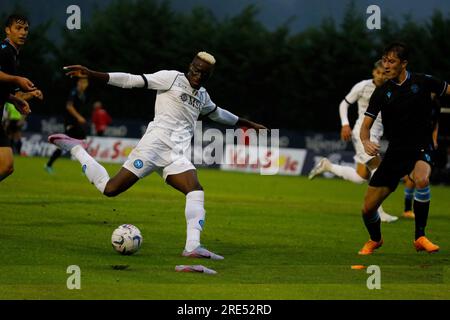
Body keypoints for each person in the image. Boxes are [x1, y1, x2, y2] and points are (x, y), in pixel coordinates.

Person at [48, 52, 267, 259]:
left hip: (175, 154)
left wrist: (248, 124)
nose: (197, 75)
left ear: (209, 76)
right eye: (195, 69)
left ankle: (192, 247)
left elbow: (219, 114)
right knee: (110, 189)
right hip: (152, 147)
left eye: (203, 73)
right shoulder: (171, 78)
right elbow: (131, 80)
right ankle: (76, 149)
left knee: (195, 190)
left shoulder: (202, 95)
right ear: (190, 66)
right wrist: (92, 73)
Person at [358, 42, 449, 255]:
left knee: (422, 179)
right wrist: (365, 142)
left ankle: (420, 237)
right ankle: (375, 239)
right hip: (395, 153)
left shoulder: (423, 81)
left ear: (404, 63)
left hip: (420, 146)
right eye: (384, 61)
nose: (386, 65)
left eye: (391, 61)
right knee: (367, 209)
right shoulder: (381, 93)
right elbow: (365, 128)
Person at [308, 60, 398, 223]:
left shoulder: (390, 88)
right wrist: (345, 124)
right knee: (379, 168)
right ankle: (379, 211)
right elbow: (344, 104)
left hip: (376, 134)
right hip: (362, 133)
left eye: (384, 73)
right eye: (378, 73)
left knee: (360, 177)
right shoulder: (362, 86)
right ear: (373, 72)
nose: (381, 76)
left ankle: (328, 166)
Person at [0, 14, 40, 182]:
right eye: (18, 28)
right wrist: (16, 79)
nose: (23, 32)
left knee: (7, 166)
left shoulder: (13, 54)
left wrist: (15, 100)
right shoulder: (4, 50)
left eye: (25, 29)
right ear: (7, 30)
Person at [402, 94, 441, 219]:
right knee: (413, 178)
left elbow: (435, 124)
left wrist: (434, 139)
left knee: (421, 178)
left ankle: (415, 210)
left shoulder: (436, 105)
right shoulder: (416, 101)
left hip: (426, 144)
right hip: (412, 143)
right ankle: (407, 209)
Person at [45, 77, 89, 173]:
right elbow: (69, 106)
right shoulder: (74, 92)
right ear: (78, 83)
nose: (84, 85)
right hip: (70, 123)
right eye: (82, 82)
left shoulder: (83, 95)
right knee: (72, 144)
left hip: (76, 123)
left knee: (83, 142)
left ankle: (86, 167)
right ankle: (48, 165)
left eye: (86, 83)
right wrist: (79, 117)